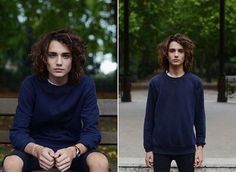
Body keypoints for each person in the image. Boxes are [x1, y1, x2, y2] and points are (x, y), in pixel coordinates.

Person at [3, 29, 109, 172]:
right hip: (37, 150)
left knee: (100, 162)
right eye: (52, 55)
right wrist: (37, 150)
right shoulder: (30, 85)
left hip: (72, 151)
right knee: (11, 163)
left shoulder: (85, 85)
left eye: (66, 56)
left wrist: (73, 151)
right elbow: (18, 132)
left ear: (74, 59)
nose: (59, 62)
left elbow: (92, 132)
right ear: (44, 58)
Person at [143, 33, 206, 172]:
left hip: (187, 148)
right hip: (160, 148)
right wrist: (148, 148)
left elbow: (199, 117)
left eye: (180, 51)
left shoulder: (195, 83)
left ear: (186, 54)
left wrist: (200, 147)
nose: (176, 54)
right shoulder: (156, 83)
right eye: (172, 51)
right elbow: (149, 118)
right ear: (166, 54)